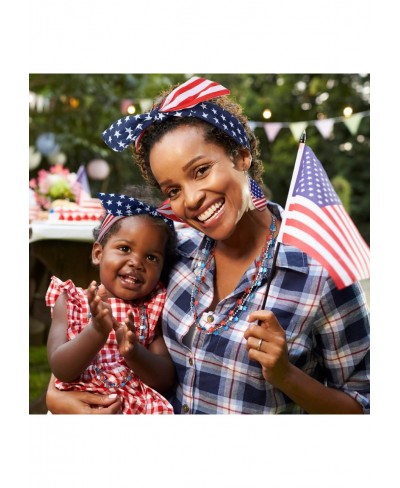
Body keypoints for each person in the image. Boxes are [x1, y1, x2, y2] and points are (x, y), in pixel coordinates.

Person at [47, 76, 370, 414]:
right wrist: (59, 396)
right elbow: (105, 327)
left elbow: (364, 408)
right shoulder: (172, 247)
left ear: (241, 156)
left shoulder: (320, 271)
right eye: (172, 190)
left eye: (201, 171)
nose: (192, 198)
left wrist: (286, 375)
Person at [45, 191, 178, 414]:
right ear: (98, 253)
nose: (136, 262)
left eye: (151, 257)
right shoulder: (72, 301)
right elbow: (61, 369)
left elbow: (165, 379)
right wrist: (96, 331)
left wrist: (134, 352)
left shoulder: (151, 309)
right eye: (125, 248)